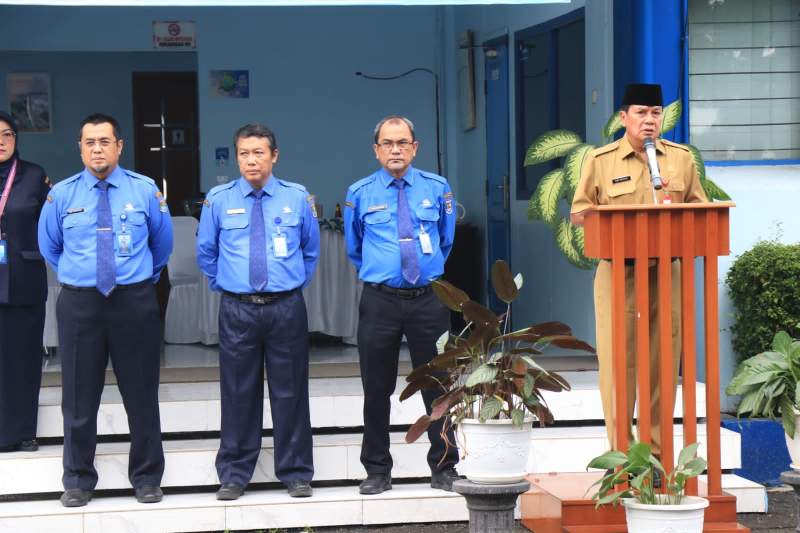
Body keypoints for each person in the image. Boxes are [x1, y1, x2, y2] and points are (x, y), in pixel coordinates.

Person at [38, 113, 173, 507]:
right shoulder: (60, 195)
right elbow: (50, 246)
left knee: (141, 393)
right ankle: (78, 479)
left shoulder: (145, 190)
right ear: (80, 148)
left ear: (119, 146)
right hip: (80, 303)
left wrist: (138, 280)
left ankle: (147, 477)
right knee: (79, 397)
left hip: (133, 301)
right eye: (89, 142)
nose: (97, 149)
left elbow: (161, 246)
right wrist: (80, 276)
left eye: (104, 141)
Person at [570, 83, 708, 460]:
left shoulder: (680, 160)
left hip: (668, 271)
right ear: (623, 117)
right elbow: (581, 213)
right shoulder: (600, 161)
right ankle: (623, 457)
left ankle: (659, 460)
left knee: (664, 362)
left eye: (655, 113)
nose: (649, 120)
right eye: (641, 113)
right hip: (619, 272)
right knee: (618, 363)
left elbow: (702, 212)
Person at [196, 123, 319, 500]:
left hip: (285, 308)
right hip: (238, 309)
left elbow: (310, 251)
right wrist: (231, 287)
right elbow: (206, 253)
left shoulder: (297, 198)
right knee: (237, 392)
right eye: (244, 154)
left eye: (259, 153)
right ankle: (234, 473)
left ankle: (296, 472)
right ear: (237, 157)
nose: (251, 160)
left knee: (290, 391)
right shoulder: (217, 199)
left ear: (274, 155)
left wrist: (289, 283)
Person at [344, 115, 460, 495]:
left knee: (437, 385)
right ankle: (377, 469)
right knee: (376, 387)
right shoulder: (359, 193)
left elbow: (445, 241)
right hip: (380, 301)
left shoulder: (437, 188)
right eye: (388, 143)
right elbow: (354, 248)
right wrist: (386, 272)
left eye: (403, 142)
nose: (396, 150)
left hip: (428, 299)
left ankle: (444, 466)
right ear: (376, 150)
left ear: (415, 147)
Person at [0, 111, 50, 454]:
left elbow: (49, 227)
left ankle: (23, 431)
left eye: (7, 134)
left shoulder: (34, 175)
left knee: (23, 357)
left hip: (23, 280)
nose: (1, 141)